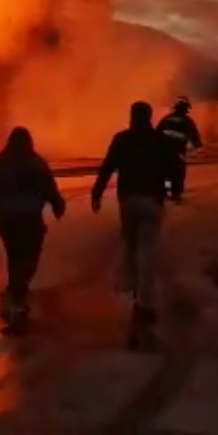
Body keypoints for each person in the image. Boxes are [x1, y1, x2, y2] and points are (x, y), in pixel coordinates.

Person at [91, 101, 172, 350]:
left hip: (128, 202)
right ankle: (144, 307)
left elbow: (107, 168)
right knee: (148, 253)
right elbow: (173, 167)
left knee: (131, 245)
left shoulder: (122, 139)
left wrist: (97, 193)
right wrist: (173, 189)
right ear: (149, 117)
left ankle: (132, 290)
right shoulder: (160, 140)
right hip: (151, 202)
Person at [0, 126, 66, 331]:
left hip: (7, 219)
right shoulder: (36, 163)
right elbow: (49, 188)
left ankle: (16, 293)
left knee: (15, 257)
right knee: (29, 258)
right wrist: (58, 204)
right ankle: (18, 298)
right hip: (29, 218)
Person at [157, 96, 203, 203]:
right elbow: (193, 134)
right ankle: (175, 194)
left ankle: (166, 192)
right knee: (178, 173)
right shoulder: (187, 121)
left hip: (164, 152)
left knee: (166, 173)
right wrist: (198, 147)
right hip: (178, 152)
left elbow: (157, 133)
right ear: (185, 108)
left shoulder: (166, 118)